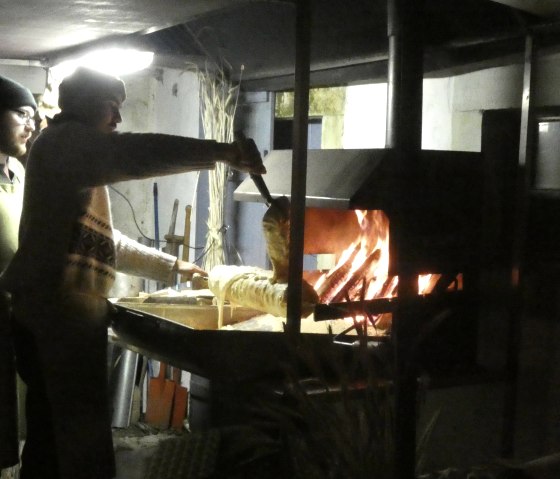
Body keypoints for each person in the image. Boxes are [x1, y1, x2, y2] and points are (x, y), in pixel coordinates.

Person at [0, 67, 266, 479]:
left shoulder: (68, 153)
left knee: (61, 436)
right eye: (112, 108)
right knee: (69, 441)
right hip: (54, 321)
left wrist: (174, 266)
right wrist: (221, 152)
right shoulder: (63, 145)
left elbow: (109, 242)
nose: (118, 120)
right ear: (88, 107)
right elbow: (136, 153)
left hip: (62, 319)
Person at [0, 75, 36, 471]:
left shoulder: (21, 175)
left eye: (34, 117)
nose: (31, 124)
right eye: (21, 114)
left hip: (12, 315)